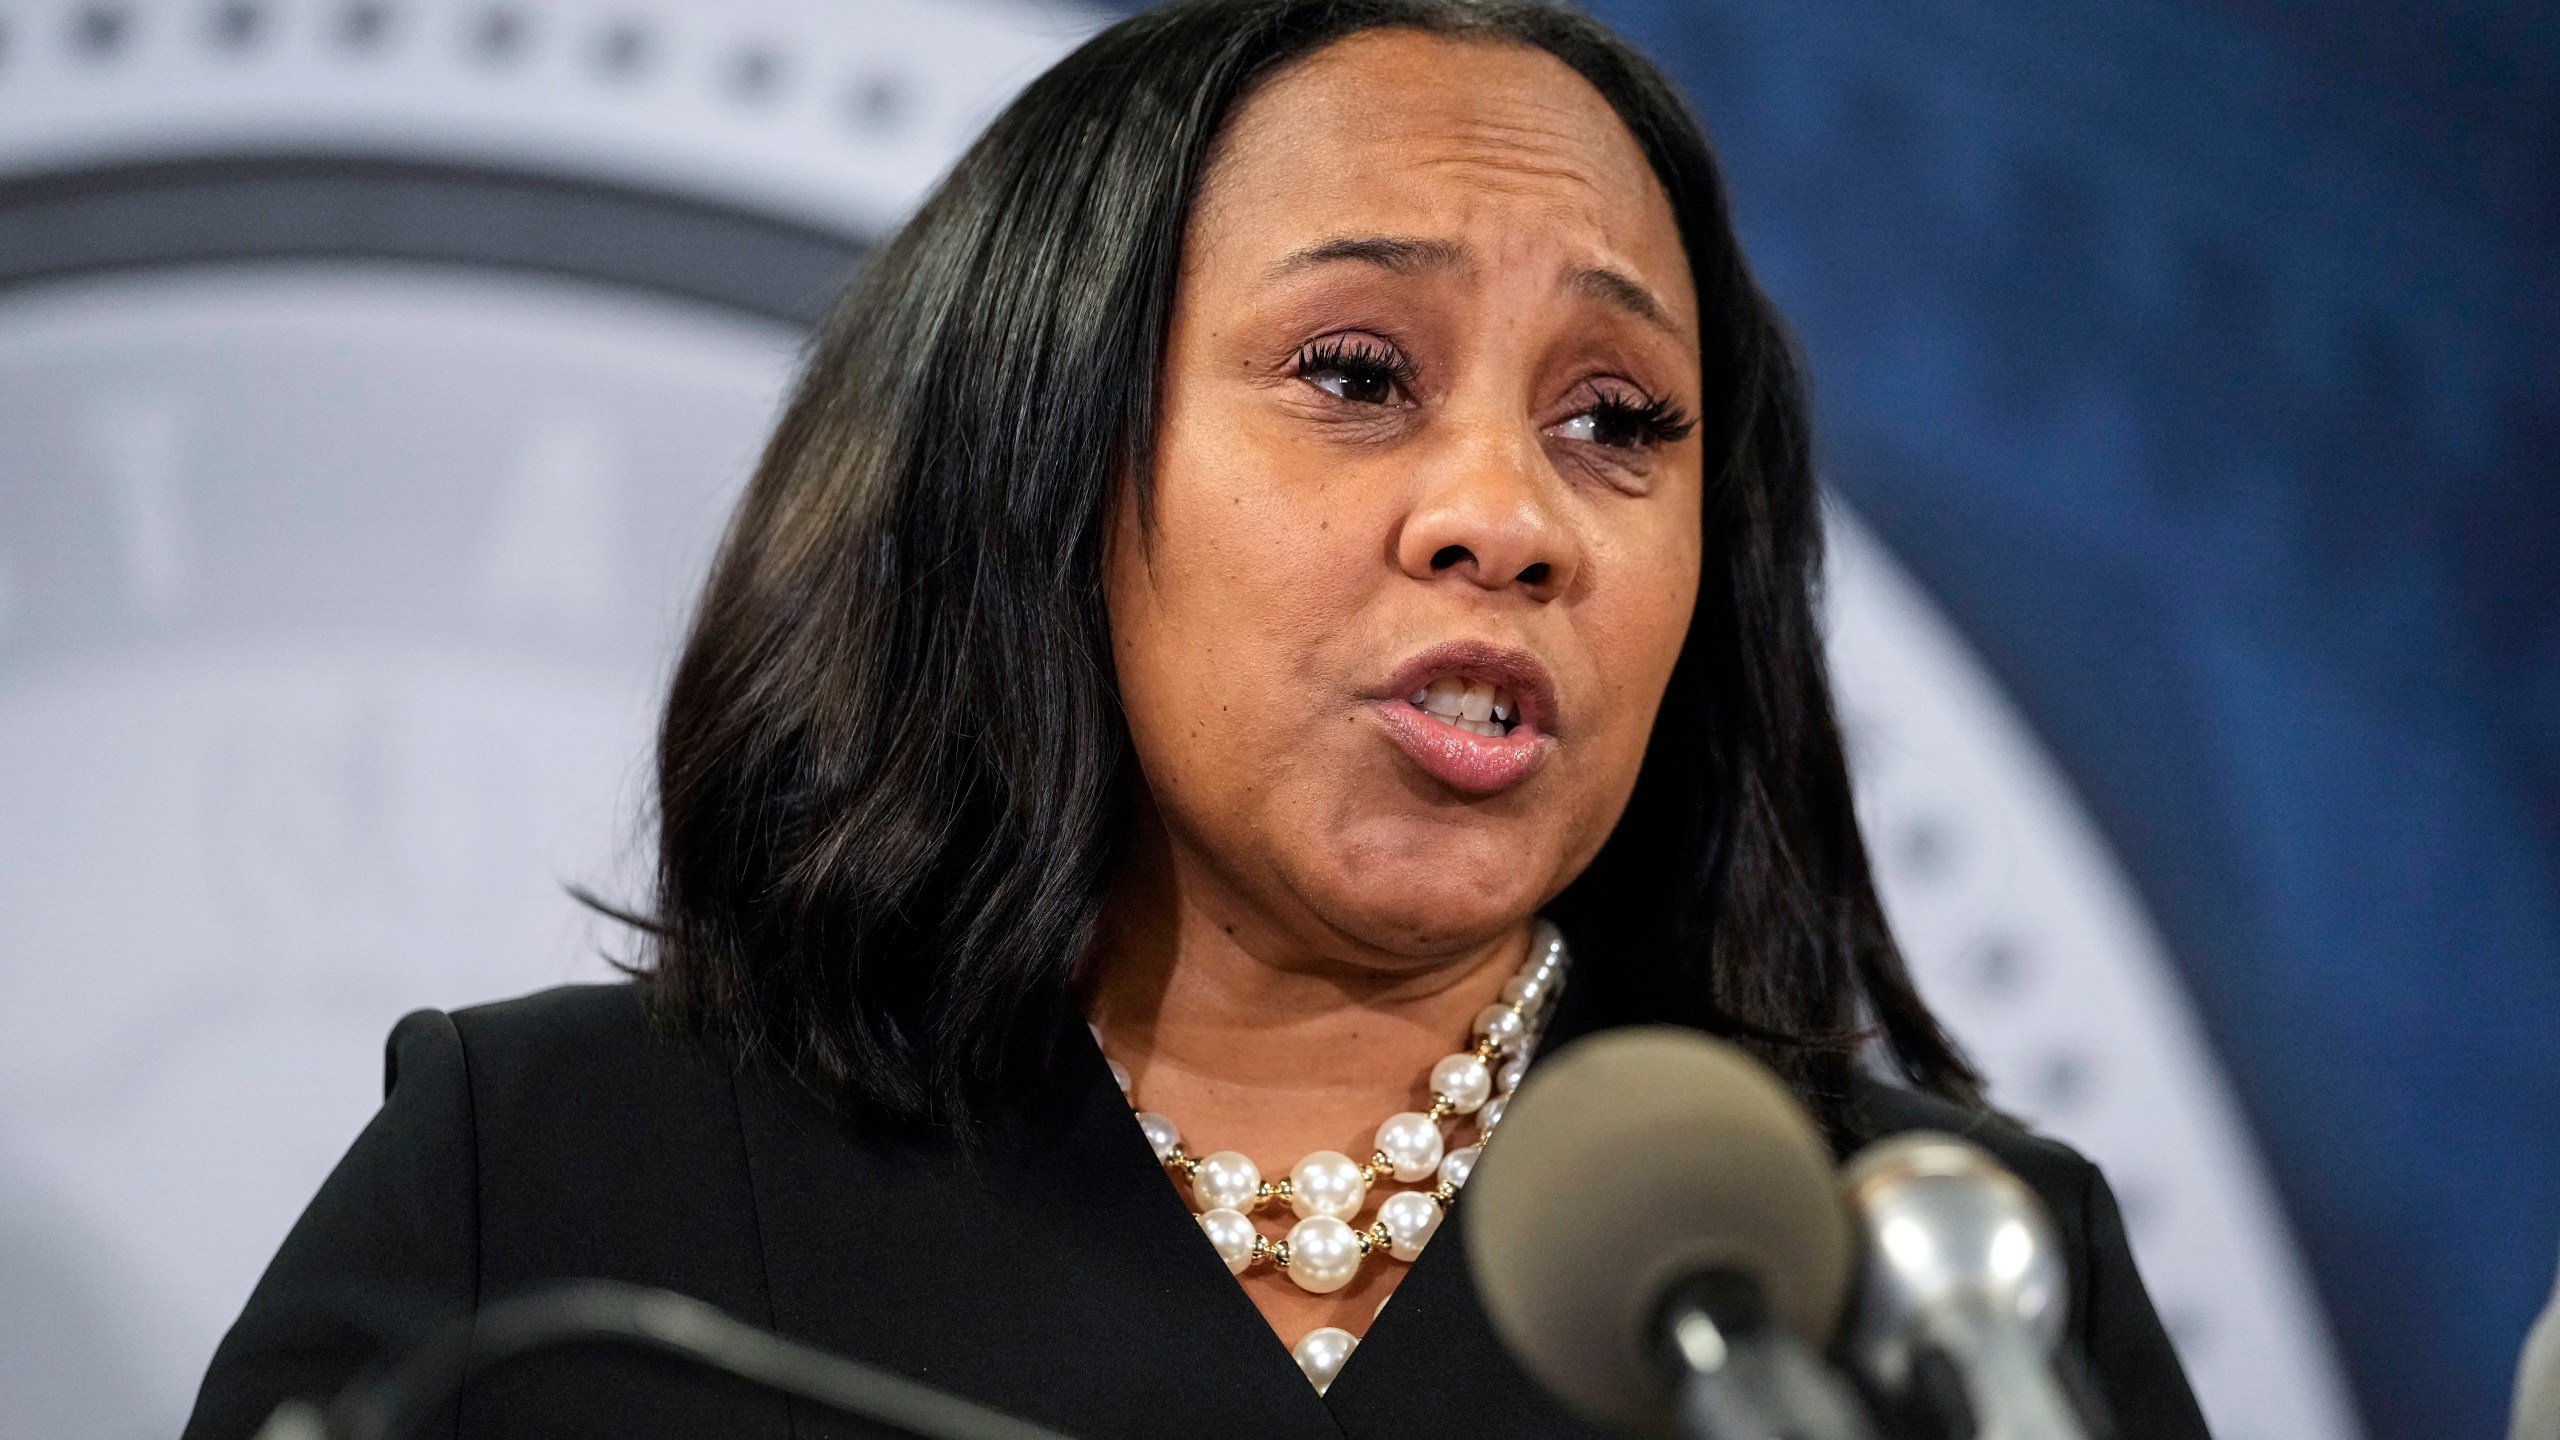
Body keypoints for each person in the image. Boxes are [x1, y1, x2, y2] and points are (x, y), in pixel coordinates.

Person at [183, 1, 2208, 1436]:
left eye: (1615, 420)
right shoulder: (548, 1197)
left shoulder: (1944, 1298)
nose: (1503, 516)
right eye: (1351, 370)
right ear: (1037, 453)